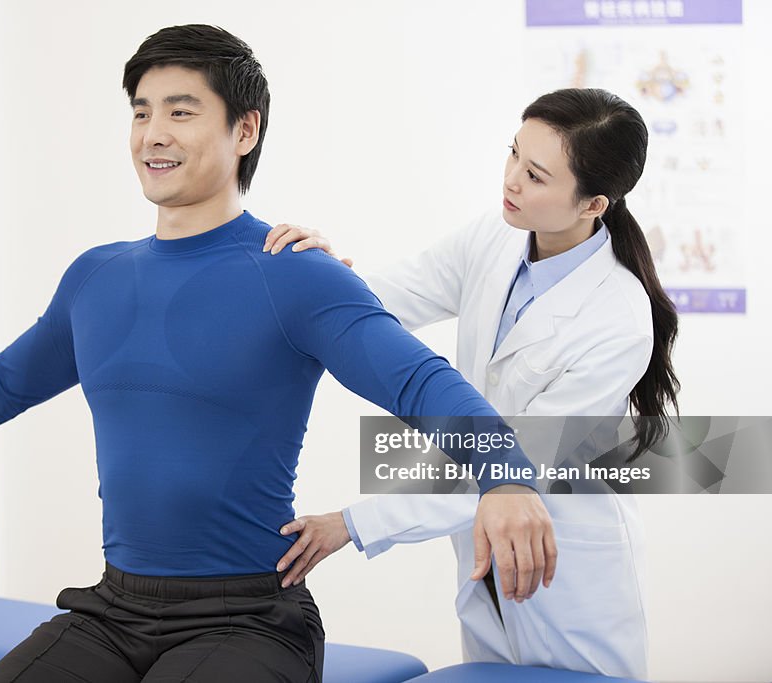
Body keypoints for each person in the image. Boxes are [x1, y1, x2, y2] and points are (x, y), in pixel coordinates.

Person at [0, 25, 557, 683]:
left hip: (251, 616)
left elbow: (419, 380)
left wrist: (508, 475)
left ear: (244, 131)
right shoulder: (97, 276)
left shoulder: (294, 274)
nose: (153, 133)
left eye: (181, 112)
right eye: (141, 112)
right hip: (113, 607)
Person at [264, 88, 679, 679]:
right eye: (513, 154)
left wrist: (351, 525)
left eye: (535, 175)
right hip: (486, 547)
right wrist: (314, 276)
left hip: (565, 562)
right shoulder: (494, 236)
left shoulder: (618, 319)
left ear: (593, 203)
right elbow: (385, 300)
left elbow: (513, 463)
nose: (511, 180)